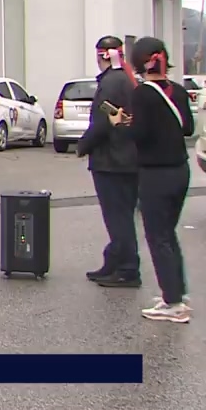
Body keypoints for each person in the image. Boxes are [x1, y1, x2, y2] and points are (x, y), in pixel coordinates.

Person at [119, 37, 193, 323]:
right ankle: (177, 291)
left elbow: (140, 136)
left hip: (155, 173)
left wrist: (123, 124)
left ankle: (172, 302)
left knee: (157, 236)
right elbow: (187, 128)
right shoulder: (179, 92)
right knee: (169, 234)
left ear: (140, 62)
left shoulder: (143, 94)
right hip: (180, 171)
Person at [76, 36, 141, 288]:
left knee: (118, 217)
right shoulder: (125, 79)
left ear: (101, 55)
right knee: (121, 215)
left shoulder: (112, 83)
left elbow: (103, 121)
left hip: (113, 160)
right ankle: (114, 261)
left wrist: (84, 145)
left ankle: (127, 268)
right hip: (125, 158)